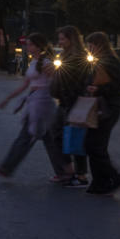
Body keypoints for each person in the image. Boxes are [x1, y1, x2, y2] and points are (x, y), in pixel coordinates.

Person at [0, 33, 61, 178]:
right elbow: (25, 85)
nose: (27, 47)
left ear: (38, 46)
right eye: (27, 44)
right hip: (35, 101)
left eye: (30, 44)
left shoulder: (46, 63)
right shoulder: (34, 62)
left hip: (42, 104)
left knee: (26, 137)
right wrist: (8, 99)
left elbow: (56, 82)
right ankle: (62, 171)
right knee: (49, 139)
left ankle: (6, 168)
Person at [82, 32, 120, 195]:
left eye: (91, 46)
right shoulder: (101, 62)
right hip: (101, 108)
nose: (89, 49)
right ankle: (100, 182)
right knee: (93, 145)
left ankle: (114, 177)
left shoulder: (110, 62)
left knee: (94, 145)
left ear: (99, 45)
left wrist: (99, 89)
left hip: (107, 109)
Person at [44, 25, 90, 187]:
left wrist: (56, 74)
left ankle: (79, 174)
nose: (60, 42)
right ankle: (69, 171)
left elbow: (74, 80)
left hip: (73, 102)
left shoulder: (78, 57)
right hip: (65, 101)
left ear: (72, 39)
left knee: (74, 136)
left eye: (63, 39)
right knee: (57, 134)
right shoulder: (65, 55)